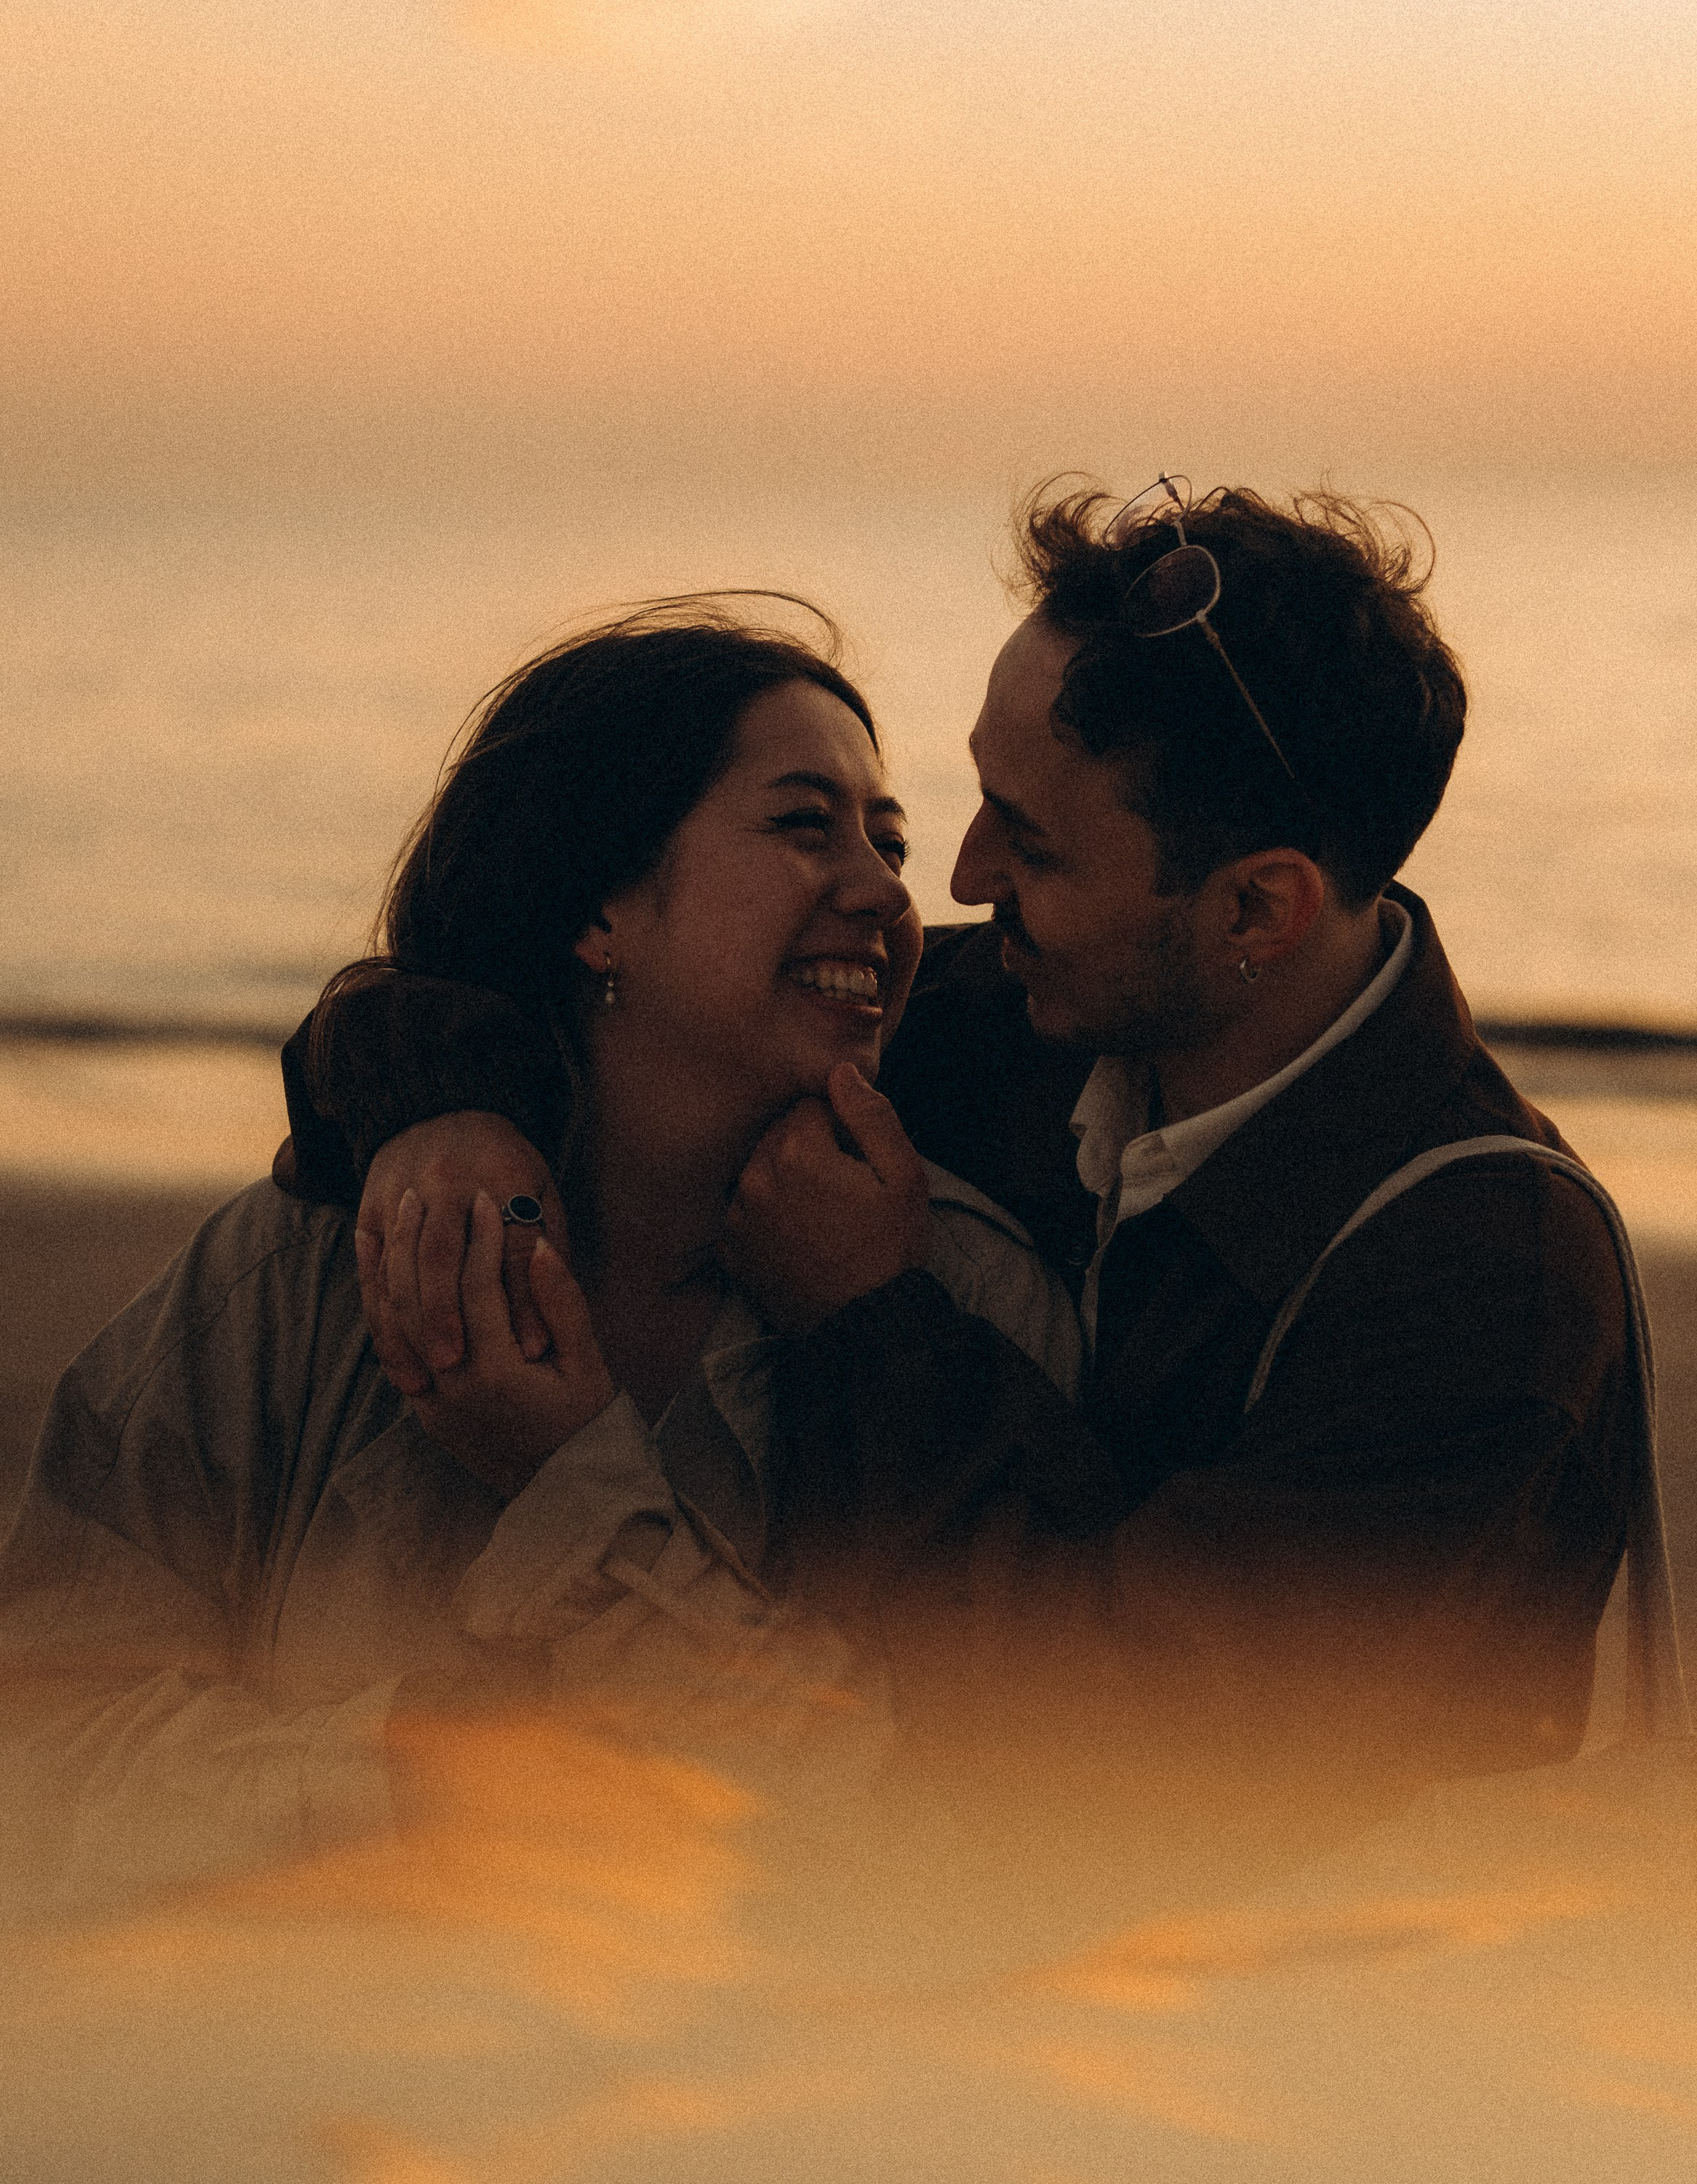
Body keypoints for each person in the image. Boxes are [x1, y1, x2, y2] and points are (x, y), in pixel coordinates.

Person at [274, 483, 1645, 1836]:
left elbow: (1107, 1756)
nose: (965, 878)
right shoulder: (1027, 1012)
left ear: (1254, 910)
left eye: (1031, 843)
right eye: (980, 801)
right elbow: (574, 996)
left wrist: (869, 1317)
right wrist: (446, 1106)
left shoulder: (1479, 1277)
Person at [0, 604, 1082, 1914]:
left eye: (886, 840)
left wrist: (572, 1488)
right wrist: (415, 1773)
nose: (885, 891)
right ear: (595, 911)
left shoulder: (958, 1296)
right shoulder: (304, 1269)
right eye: (806, 825)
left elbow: (956, 1826)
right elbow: (42, 1744)